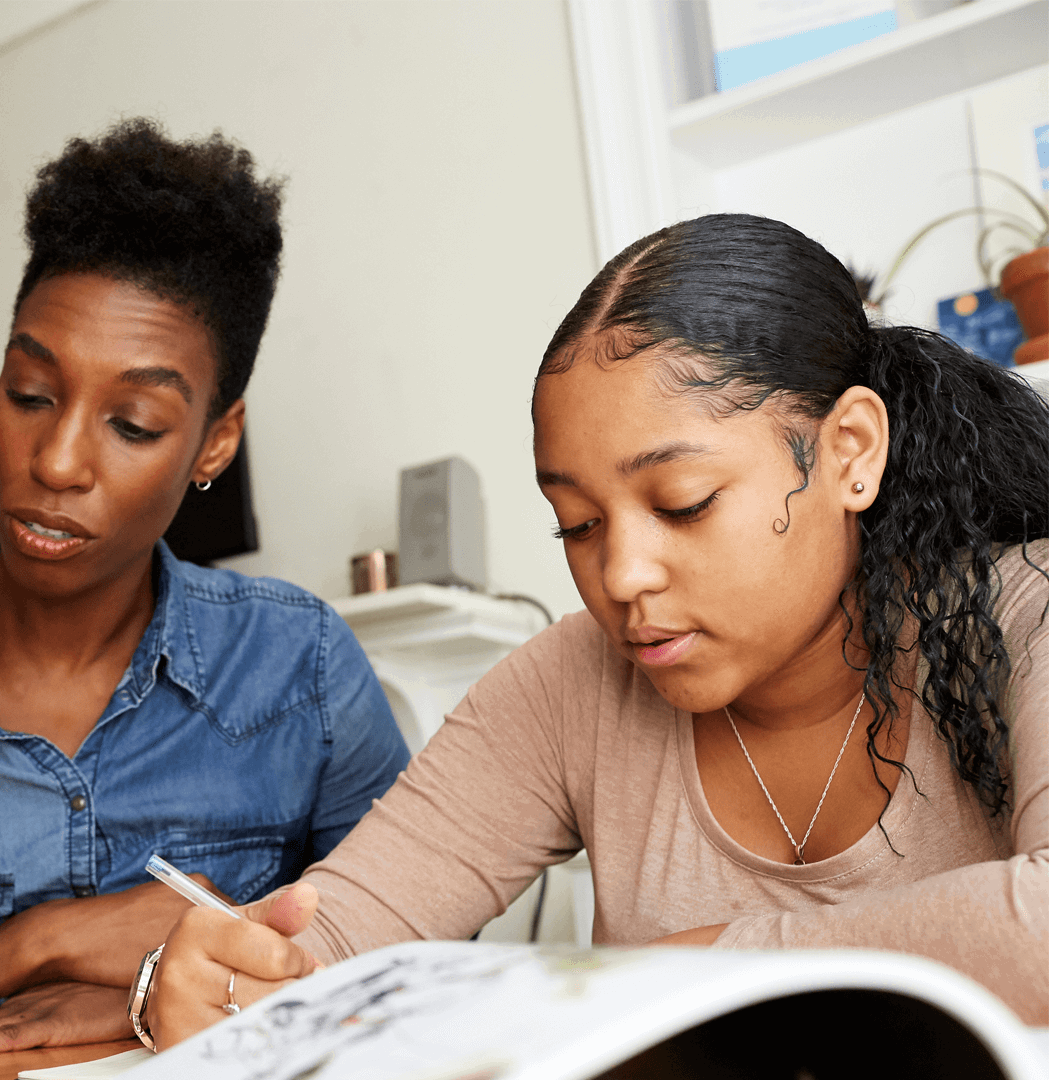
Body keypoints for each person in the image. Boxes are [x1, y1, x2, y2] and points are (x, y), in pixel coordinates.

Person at [141, 212, 1049, 1048]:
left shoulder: (1027, 606)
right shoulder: (569, 684)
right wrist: (208, 983)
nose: (619, 577)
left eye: (683, 504)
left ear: (850, 451)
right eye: (577, 524)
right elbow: (331, 937)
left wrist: (690, 968)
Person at [0, 118, 409, 1066]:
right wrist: (32, 949)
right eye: (30, 393)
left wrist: (131, 1008)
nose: (53, 462)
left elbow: (401, 993)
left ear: (216, 440)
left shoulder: (301, 670)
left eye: (131, 424)